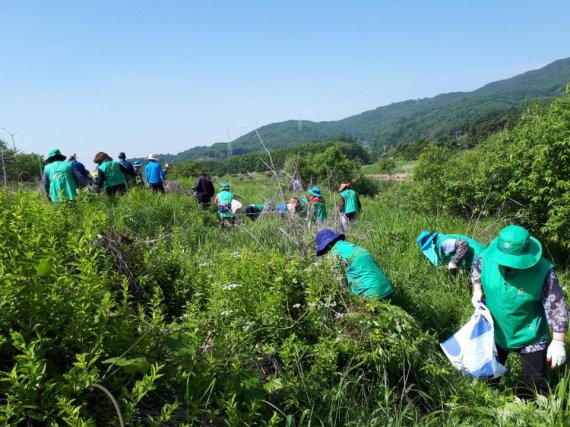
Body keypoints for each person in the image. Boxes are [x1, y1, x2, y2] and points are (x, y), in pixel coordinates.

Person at [471, 225, 568, 393]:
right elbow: (476, 271)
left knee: (535, 385)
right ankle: (490, 404)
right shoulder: (486, 257)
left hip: (530, 334)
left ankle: (536, 413)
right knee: (486, 380)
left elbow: (556, 306)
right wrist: (477, 291)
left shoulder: (543, 272)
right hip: (496, 330)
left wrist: (558, 342)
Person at [315, 229, 394, 300]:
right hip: (387, 289)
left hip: (371, 295)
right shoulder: (353, 246)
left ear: (326, 247)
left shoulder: (334, 254)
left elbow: (342, 284)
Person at [417, 231, 486, 277]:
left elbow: (463, 244)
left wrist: (454, 262)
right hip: (475, 261)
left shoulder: (443, 243)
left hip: (480, 257)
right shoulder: (438, 246)